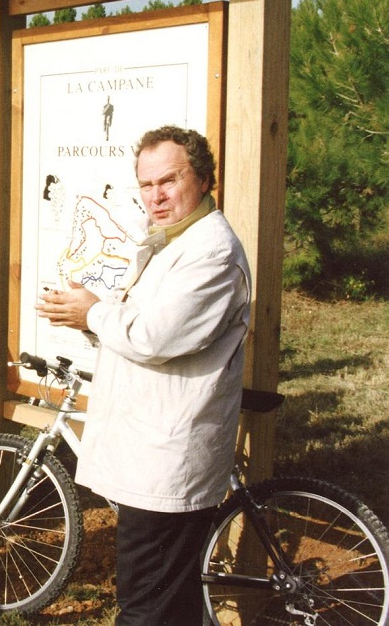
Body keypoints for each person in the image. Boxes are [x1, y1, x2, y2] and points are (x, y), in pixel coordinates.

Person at [35, 125, 251, 624]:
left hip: (166, 460)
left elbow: (155, 336)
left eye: (169, 180)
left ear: (202, 178)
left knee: (146, 608)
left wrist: (91, 312)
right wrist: (88, 312)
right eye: (146, 184)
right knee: (163, 603)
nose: (156, 195)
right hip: (150, 454)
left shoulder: (211, 251)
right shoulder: (176, 241)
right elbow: (142, 323)